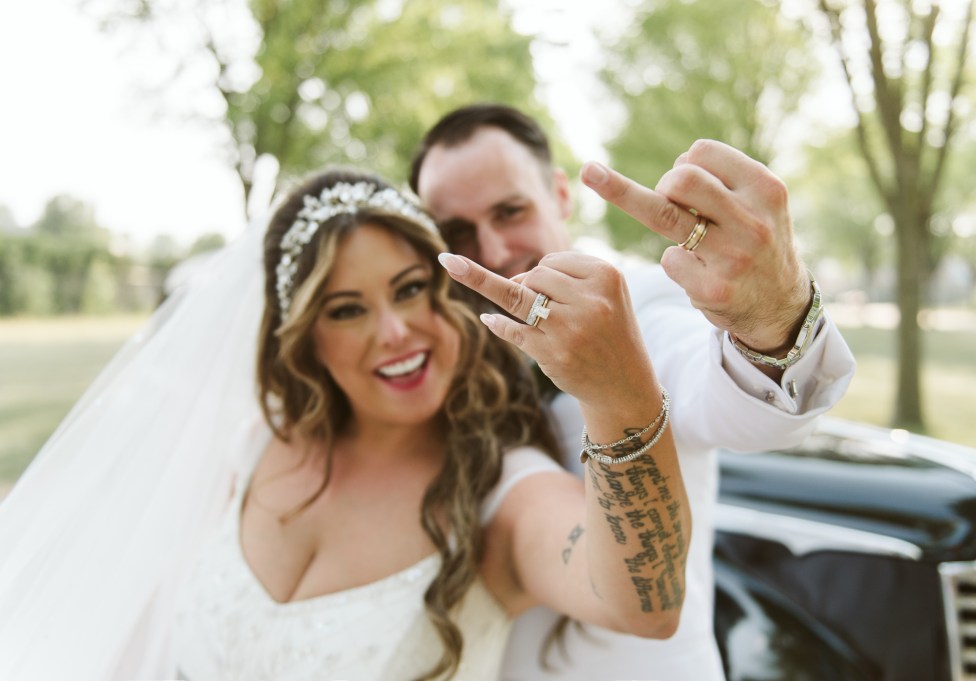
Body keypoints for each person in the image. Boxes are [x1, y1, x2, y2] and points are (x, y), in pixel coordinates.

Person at [0, 167, 691, 681]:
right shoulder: (255, 450)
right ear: (305, 339)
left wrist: (619, 394)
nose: (394, 332)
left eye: (411, 288)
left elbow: (645, 604)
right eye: (345, 309)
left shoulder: (502, 492)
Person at [411, 103, 857, 680]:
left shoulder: (641, 309)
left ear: (560, 195)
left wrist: (771, 317)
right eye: (459, 233)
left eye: (510, 211)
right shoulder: (425, 366)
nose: (493, 251)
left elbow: (736, 400)